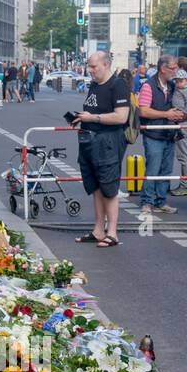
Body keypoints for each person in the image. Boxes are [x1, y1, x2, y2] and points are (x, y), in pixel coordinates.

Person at [72, 51, 131, 248]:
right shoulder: (95, 85)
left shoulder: (118, 85)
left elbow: (121, 117)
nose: (90, 70)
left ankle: (112, 233)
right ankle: (98, 230)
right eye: (89, 66)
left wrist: (93, 118)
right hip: (89, 140)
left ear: (106, 65)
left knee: (109, 187)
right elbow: (94, 111)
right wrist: (81, 118)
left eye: (93, 66)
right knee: (95, 186)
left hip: (108, 141)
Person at [137, 54, 185, 217]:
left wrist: (183, 114)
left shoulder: (172, 86)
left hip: (169, 134)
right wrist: (166, 114)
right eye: (173, 68)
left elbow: (177, 105)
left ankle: (161, 201)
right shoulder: (148, 86)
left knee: (166, 170)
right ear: (163, 69)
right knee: (153, 168)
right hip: (153, 134)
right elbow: (143, 110)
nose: (175, 71)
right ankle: (147, 201)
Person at [171, 69, 187, 197]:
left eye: (180, 81)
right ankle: (184, 184)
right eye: (176, 81)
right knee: (183, 155)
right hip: (179, 122)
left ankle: (186, 185)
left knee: (184, 155)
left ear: (186, 81)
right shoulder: (178, 90)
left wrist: (183, 115)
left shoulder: (186, 91)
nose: (178, 83)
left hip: (182, 124)